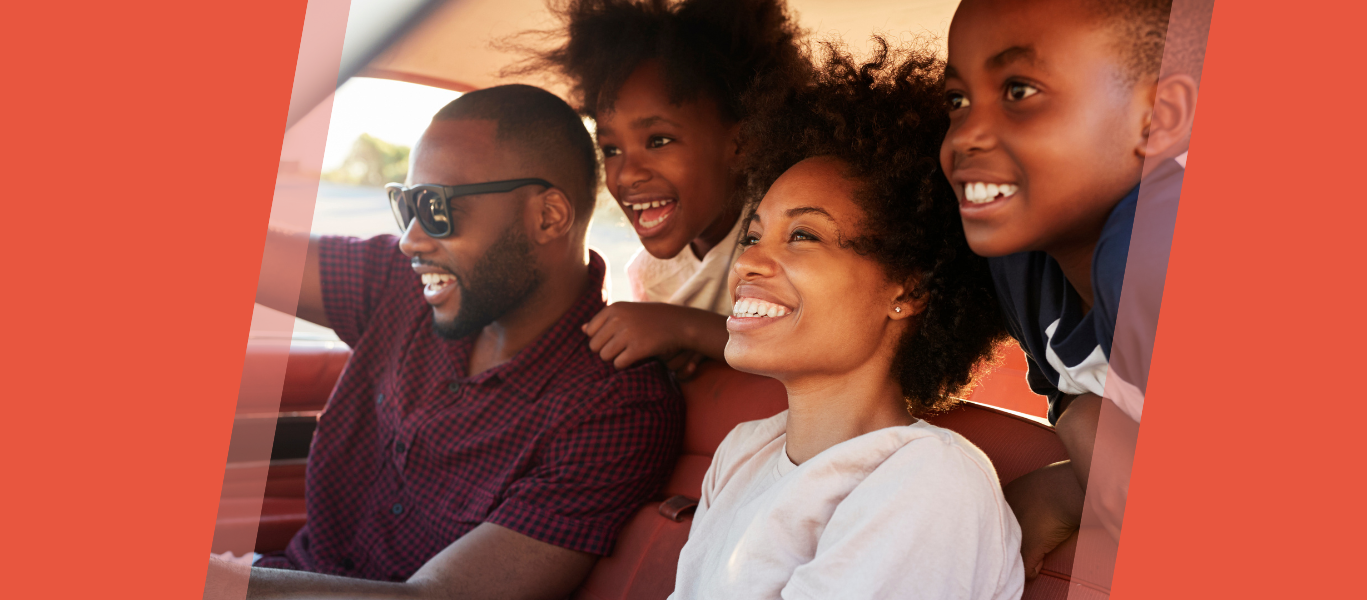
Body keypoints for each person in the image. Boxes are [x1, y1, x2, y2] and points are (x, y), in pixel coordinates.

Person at [208, 84, 686, 599]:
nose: (411, 238)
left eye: (435, 207)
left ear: (548, 217)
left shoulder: (615, 406)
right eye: (404, 204)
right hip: (287, 570)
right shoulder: (400, 283)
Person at [668, 41, 1023, 600]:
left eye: (804, 235)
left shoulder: (928, 482)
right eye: (754, 234)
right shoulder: (744, 452)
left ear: (908, 288)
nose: (748, 262)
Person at [939, 0, 1210, 578]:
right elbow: (1073, 392)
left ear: (1160, 116)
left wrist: (1068, 489)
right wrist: (1083, 422)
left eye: (1019, 91)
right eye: (958, 100)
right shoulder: (1021, 265)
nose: (966, 135)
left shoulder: (1155, 246)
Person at [513, 0, 809, 378]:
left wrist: (684, 328)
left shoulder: (790, 231)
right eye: (612, 150)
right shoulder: (651, 275)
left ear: (743, 141)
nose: (627, 174)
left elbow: (816, 344)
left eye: (658, 141)